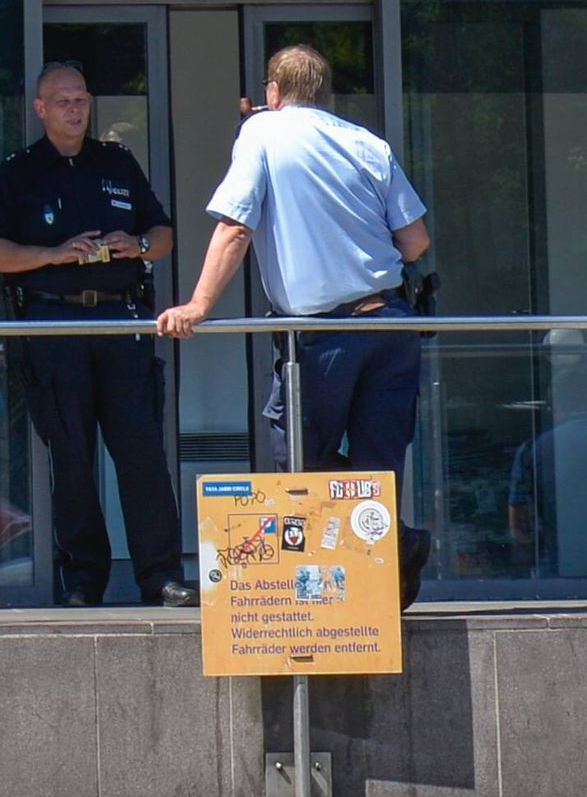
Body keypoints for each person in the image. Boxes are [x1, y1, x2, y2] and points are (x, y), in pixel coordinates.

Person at [154, 44, 437, 593]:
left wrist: (198, 306)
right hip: (390, 324)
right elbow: (416, 239)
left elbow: (235, 226)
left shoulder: (262, 133)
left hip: (324, 335)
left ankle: (344, 587)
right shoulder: (366, 143)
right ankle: (387, 565)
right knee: (380, 466)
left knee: (304, 465)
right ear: (325, 93)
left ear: (273, 92)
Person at [0, 59, 179, 607]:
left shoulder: (116, 163)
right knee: (72, 456)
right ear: (40, 109)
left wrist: (141, 245)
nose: (74, 109)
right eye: (62, 101)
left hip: (120, 320)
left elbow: (163, 232)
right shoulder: (20, 172)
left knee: (141, 454)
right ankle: (84, 580)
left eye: (81, 99)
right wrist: (52, 255)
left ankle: (160, 576)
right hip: (55, 323)